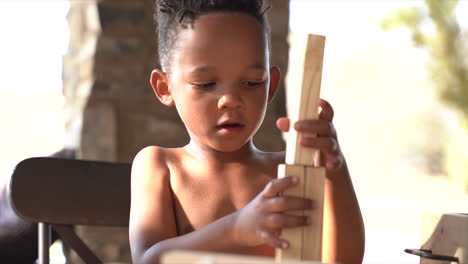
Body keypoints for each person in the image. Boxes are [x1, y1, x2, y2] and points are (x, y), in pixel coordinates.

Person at [129, 1, 365, 264]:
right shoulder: (161, 166)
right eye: (205, 84)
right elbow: (147, 260)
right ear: (165, 87)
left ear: (271, 86)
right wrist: (236, 228)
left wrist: (335, 173)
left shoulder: (290, 172)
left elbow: (344, 261)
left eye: (252, 82)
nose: (230, 99)